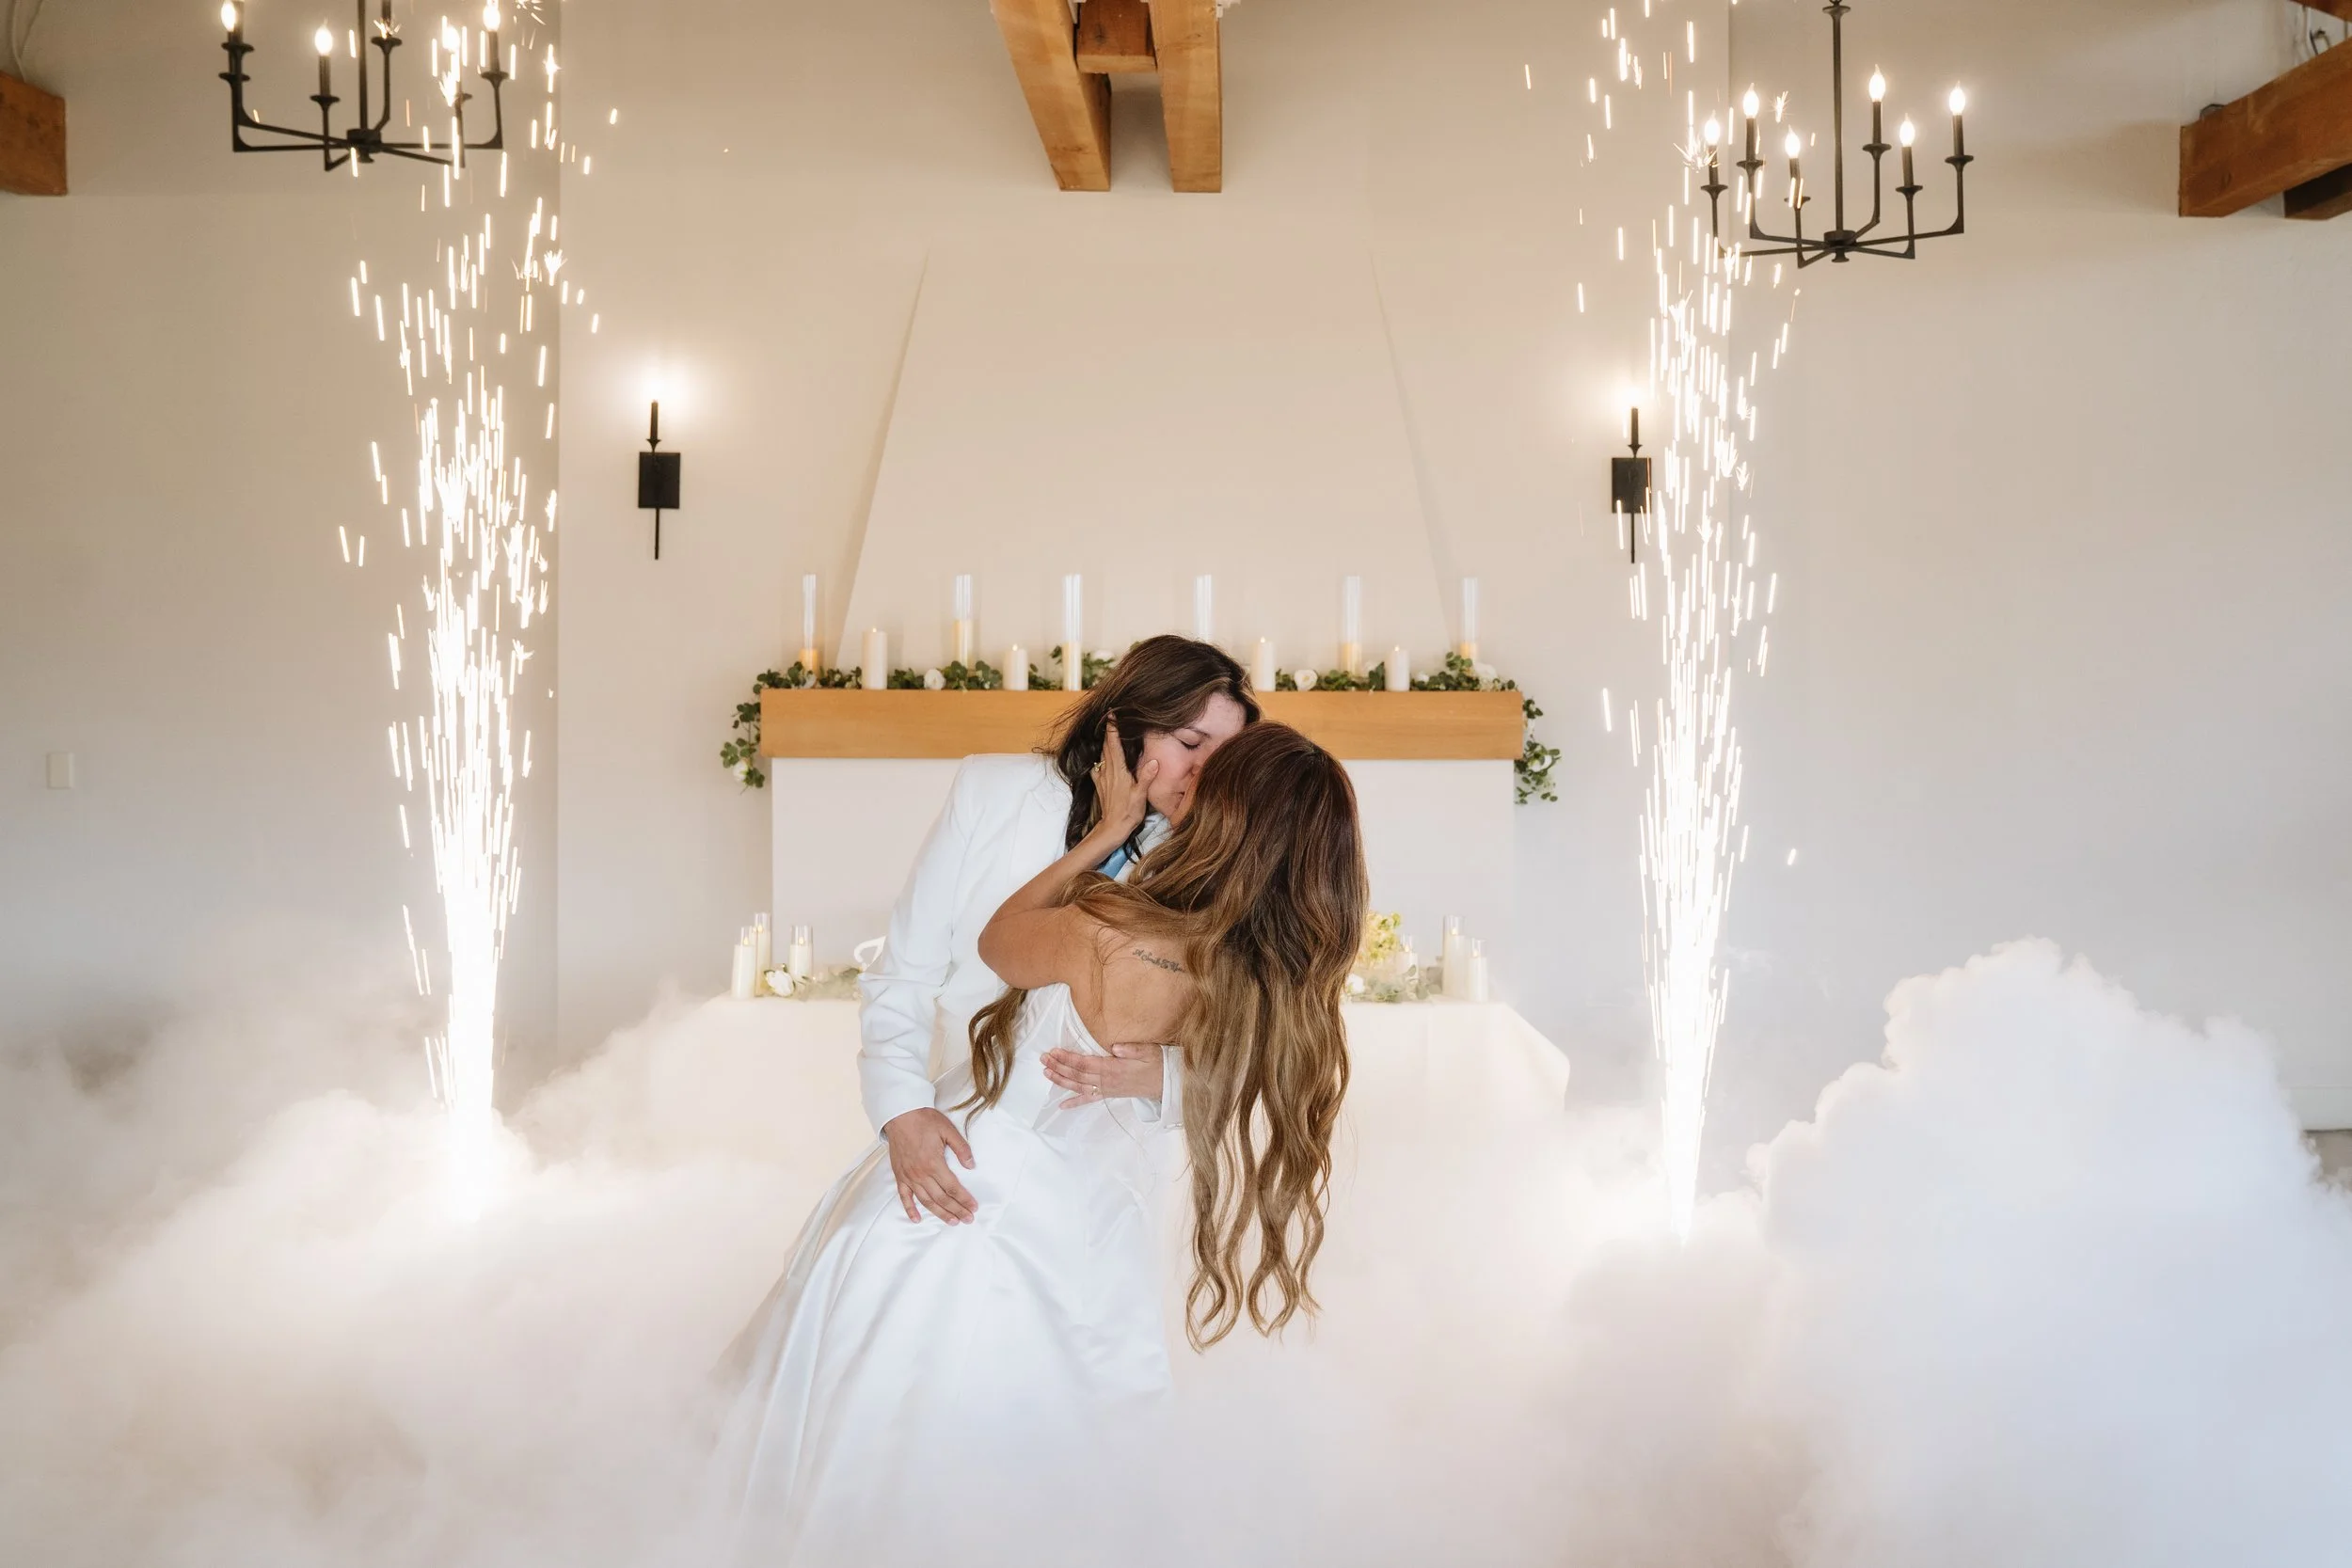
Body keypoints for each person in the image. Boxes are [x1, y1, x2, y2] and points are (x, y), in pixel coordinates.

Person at [716, 722, 1367, 1567]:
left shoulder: (1101, 923)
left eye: (1215, 775)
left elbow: (997, 939)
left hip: (969, 1196)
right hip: (1098, 1231)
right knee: (1082, 1446)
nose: (1193, 781)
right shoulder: (1262, 973)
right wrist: (1163, 1078)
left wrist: (1105, 833)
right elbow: (1259, 1087)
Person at [856, 634, 1258, 1227]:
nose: (1204, 772)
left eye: (1226, 755)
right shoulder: (992, 791)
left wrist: (1170, 1078)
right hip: (967, 1131)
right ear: (1125, 730)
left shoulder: (1224, 856)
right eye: (1190, 742)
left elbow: (1254, 1036)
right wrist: (903, 1110)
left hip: (1113, 1175)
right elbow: (904, 970)